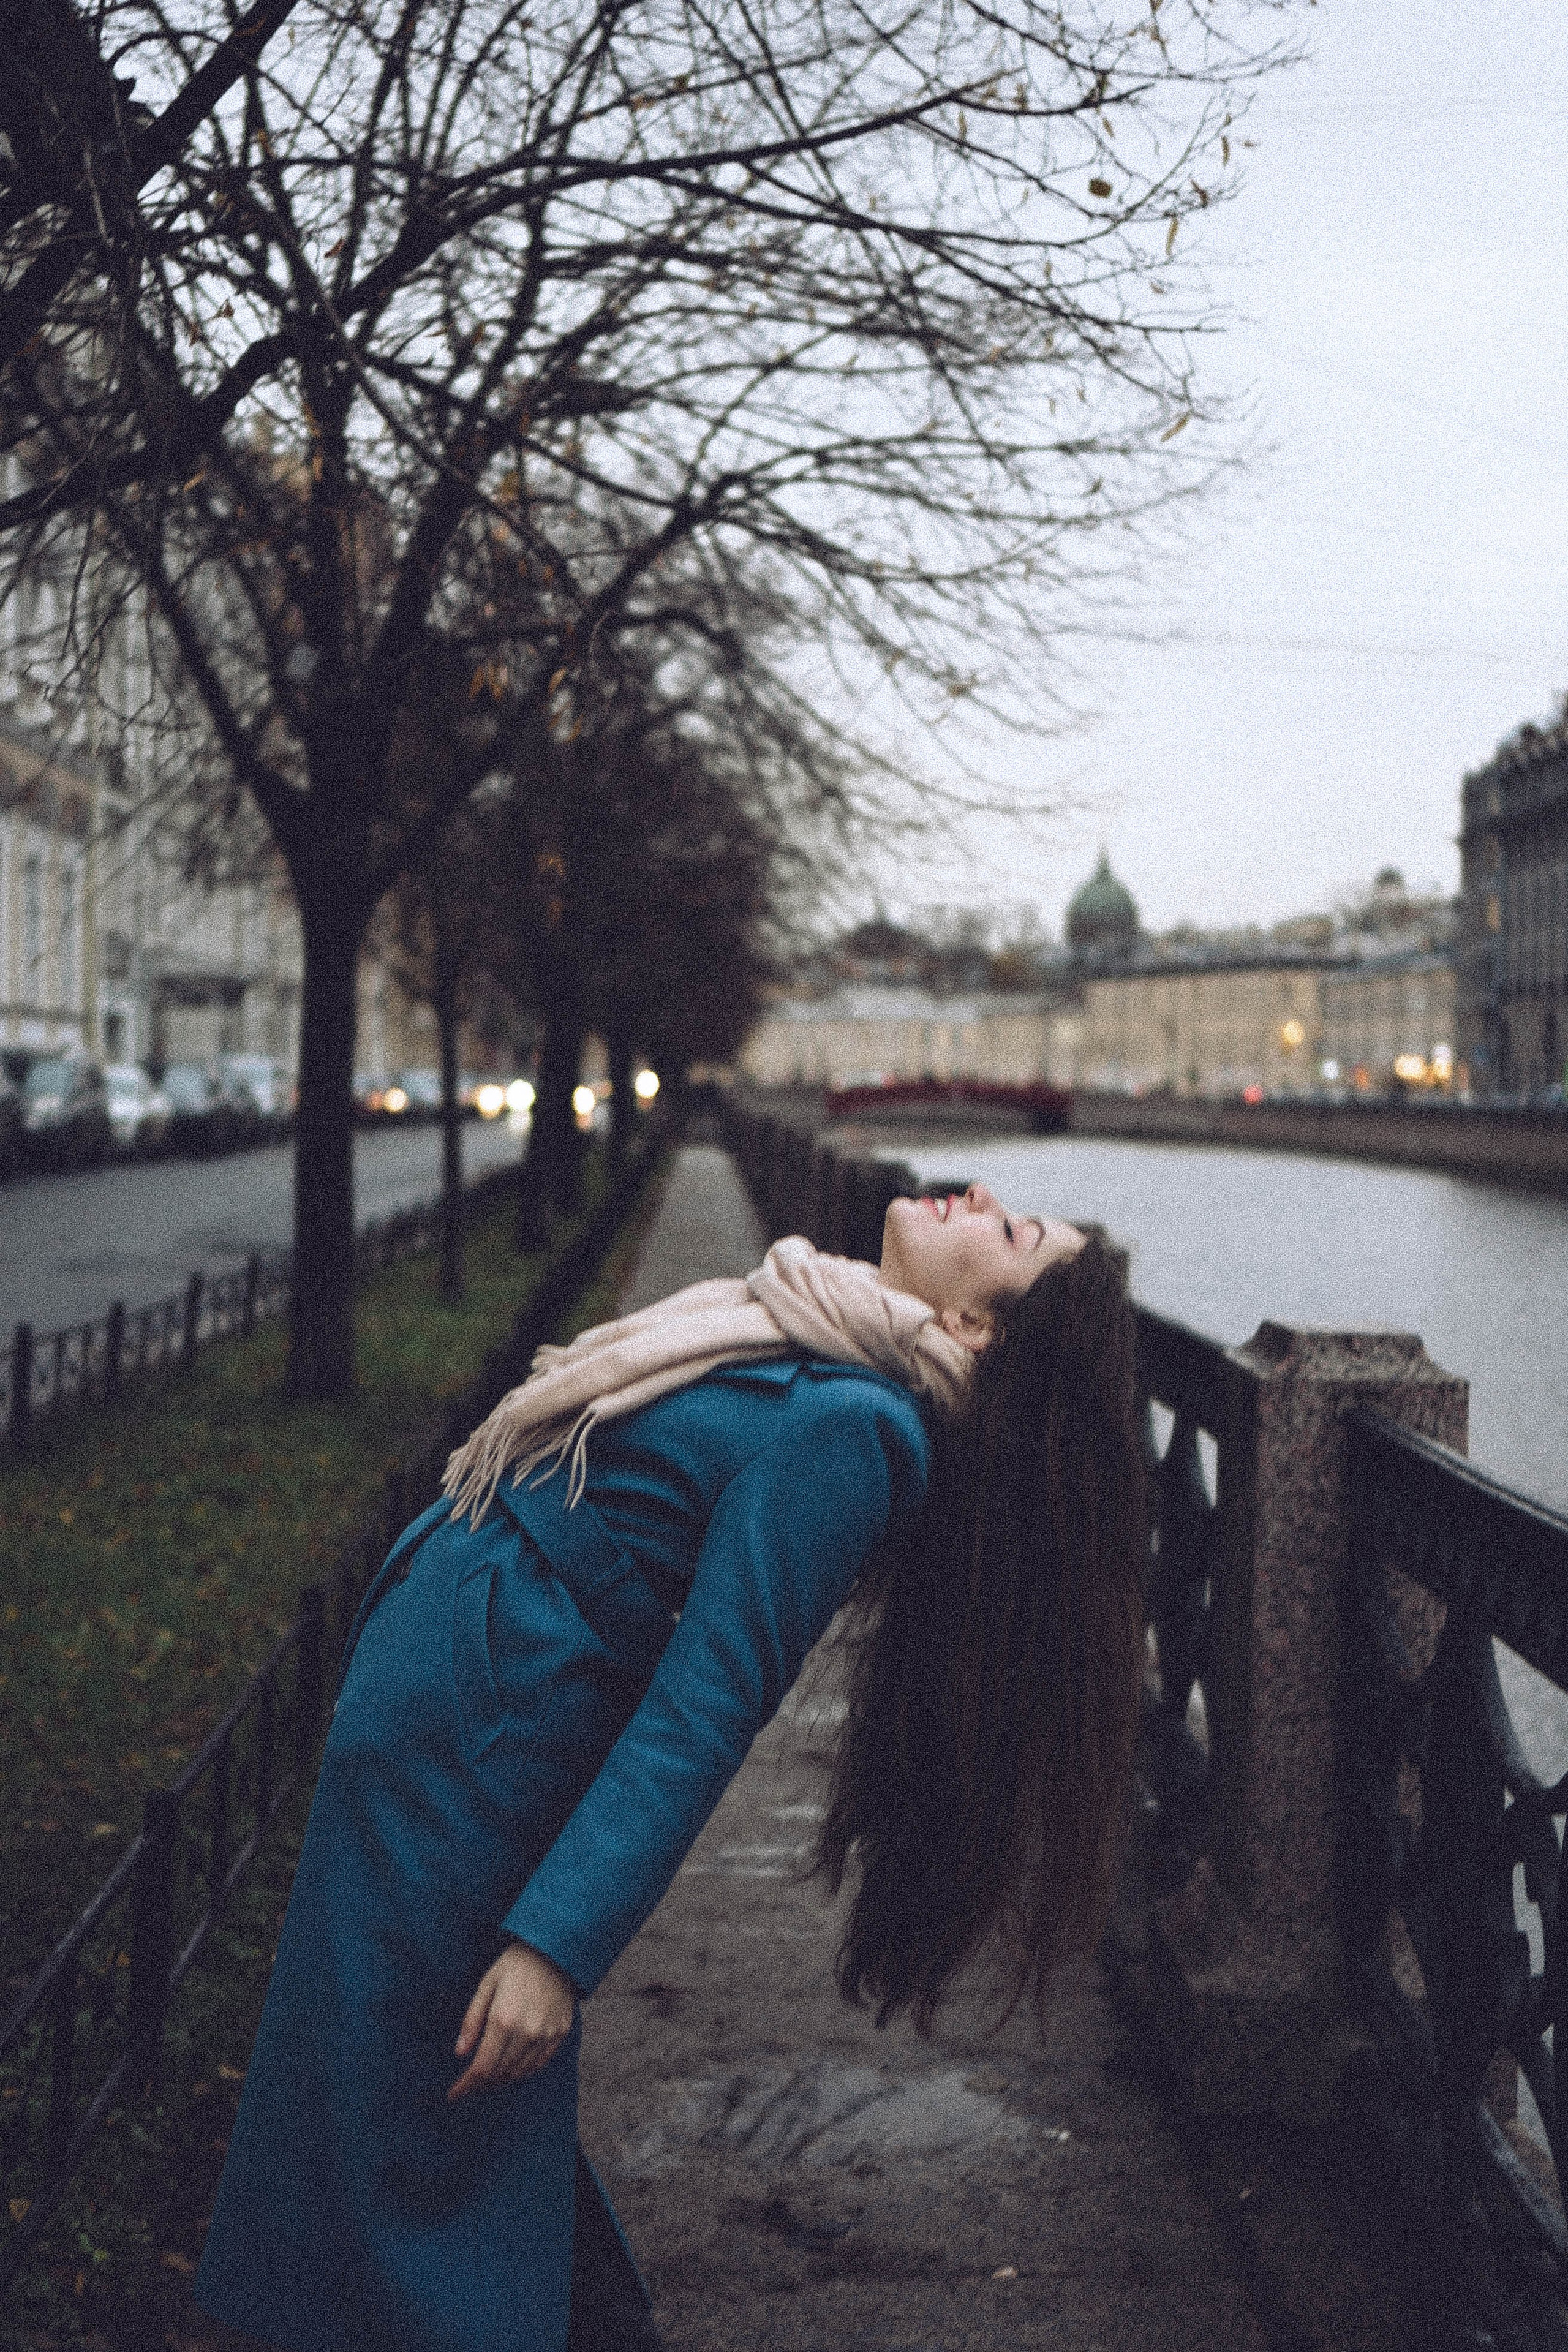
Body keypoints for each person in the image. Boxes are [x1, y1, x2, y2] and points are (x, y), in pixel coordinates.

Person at [195, 1182, 1147, 2352]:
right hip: (450, 1738)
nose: (985, 1198)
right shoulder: (812, 1334)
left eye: (1011, 1235)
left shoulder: (858, 1433)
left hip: (481, 1771)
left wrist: (558, 1948)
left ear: (973, 1329)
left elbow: (710, 1703)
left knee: (408, 2129)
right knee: (415, 2119)